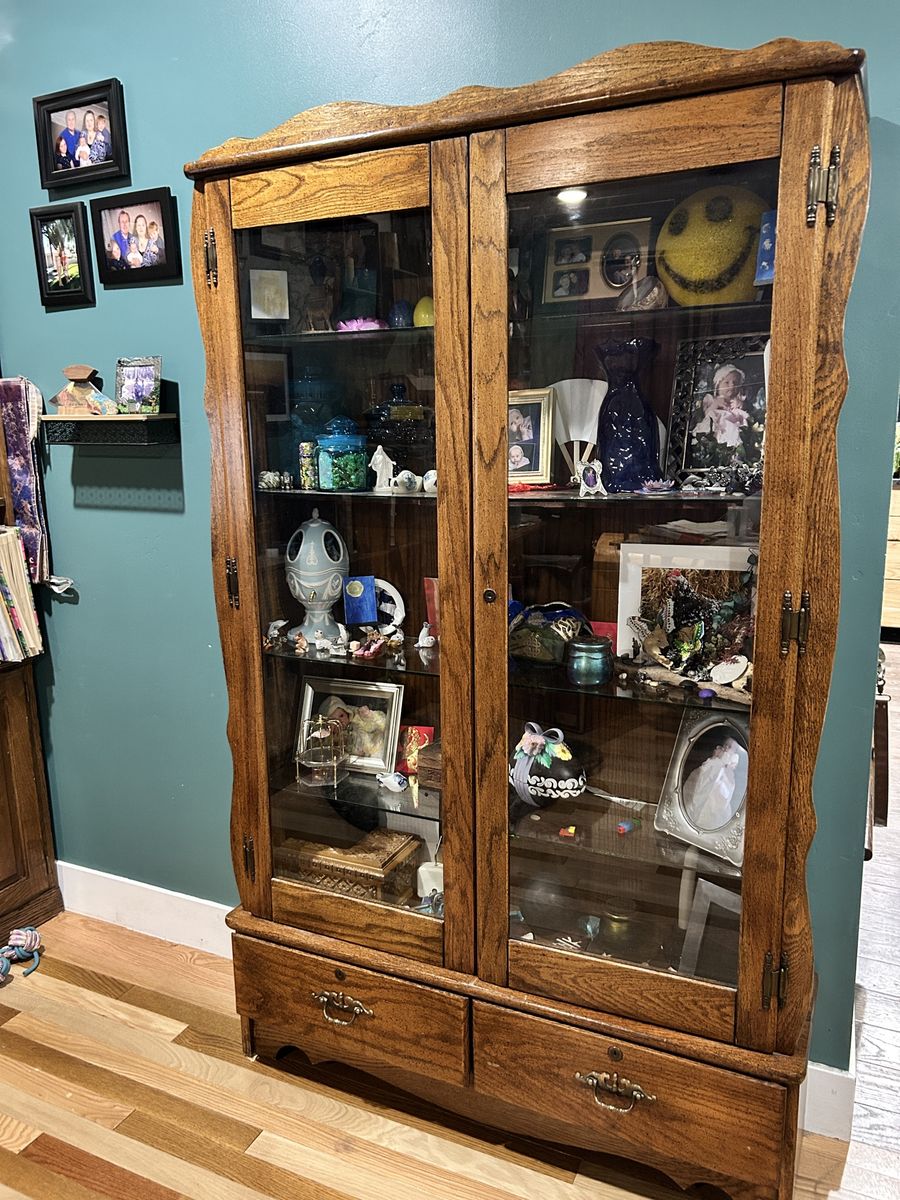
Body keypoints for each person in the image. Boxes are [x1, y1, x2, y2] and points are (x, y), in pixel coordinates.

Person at [682, 738, 744, 830]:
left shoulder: (729, 775)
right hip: (695, 803)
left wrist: (725, 765)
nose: (726, 748)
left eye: (730, 747)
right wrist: (717, 761)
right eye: (725, 745)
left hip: (711, 813)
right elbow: (701, 777)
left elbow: (724, 797)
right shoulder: (712, 762)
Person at [691, 364, 748, 448]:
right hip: (716, 427)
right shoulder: (712, 399)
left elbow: (745, 413)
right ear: (718, 385)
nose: (732, 385)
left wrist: (740, 404)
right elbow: (706, 414)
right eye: (727, 382)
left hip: (733, 427)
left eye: (735, 383)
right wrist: (715, 404)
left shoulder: (737, 400)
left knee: (734, 431)